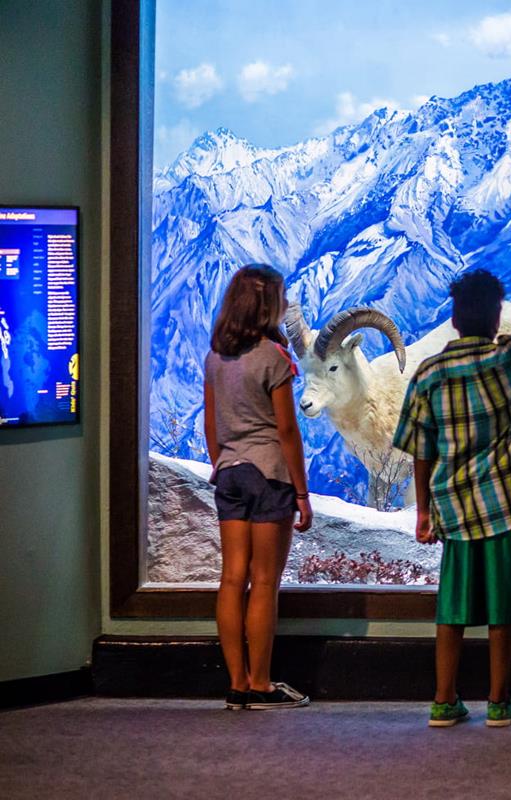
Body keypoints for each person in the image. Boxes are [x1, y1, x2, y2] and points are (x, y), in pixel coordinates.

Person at [394, 269, 511, 728]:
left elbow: (420, 448)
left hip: (453, 508)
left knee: (452, 607)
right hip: (505, 505)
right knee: (500, 609)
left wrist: (425, 512)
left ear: (453, 318)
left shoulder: (429, 374)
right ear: (497, 320)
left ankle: (443, 700)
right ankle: (497, 700)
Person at [204, 264, 313, 711]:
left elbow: (211, 423)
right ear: (269, 305)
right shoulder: (274, 358)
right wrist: (302, 494)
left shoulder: (216, 357)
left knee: (232, 578)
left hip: (229, 473)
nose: (286, 305)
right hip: (270, 475)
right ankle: (261, 683)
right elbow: (287, 430)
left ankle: (235, 684)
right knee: (264, 581)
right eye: (282, 298)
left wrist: (223, 462)